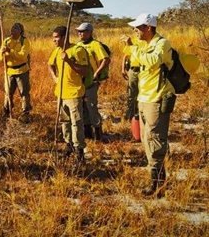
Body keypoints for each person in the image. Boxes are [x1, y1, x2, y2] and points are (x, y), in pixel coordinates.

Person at [121, 13, 175, 198]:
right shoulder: (143, 45)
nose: (135, 30)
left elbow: (151, 60)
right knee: (146, 138)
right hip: (144, 98)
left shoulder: (162, 44)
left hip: (157, 99)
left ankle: (158, 184)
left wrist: (131, 48)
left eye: (138, 27)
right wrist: (131, 49)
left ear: (149, 28)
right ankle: (155, 177)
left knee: (155, 139)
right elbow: (136, 62)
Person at [48, 26, 89, 163]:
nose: (54, 40)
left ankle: (79, 151)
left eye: (57, 37)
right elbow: (50, 64)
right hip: (60, 92)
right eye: (53, 37)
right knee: (64, 122)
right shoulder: (57, 51)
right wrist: (55, 77)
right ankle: (68, 144)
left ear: (65, 37)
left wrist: (69, 61)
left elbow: (84, 71)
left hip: (74, 92)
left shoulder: (77, 50)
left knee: (76, 123)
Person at [75, 22, 110, 141]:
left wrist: (97, 73)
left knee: (91, 106)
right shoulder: (78, 44)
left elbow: (106, 60)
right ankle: (88, 133)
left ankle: (98, 134)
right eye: (79, 31)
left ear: (89, 32)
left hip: (92, 82)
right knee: (83, 106)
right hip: (81, 82)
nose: (80, 33)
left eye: (82, 31)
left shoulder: (95, 44)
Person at [0, 22, 32, 122]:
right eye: (12, 28)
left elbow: (22, 56)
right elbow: (0, 57)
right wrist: (2, 53)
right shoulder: (6, 41)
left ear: (20, 31)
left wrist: (10, 51)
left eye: (15, 28)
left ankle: (25, 113)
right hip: (9, 71)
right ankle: (7, 111)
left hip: (22, 70)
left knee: (24, 92)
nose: (12, 30)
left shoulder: (24, 41)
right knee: (8, 92)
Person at [122, 52, 140, 121]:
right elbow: (126, 55)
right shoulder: (132, 41)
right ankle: (131, 113)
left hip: (145, 71)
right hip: (133, 70)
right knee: (131, 93)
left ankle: (139, 113)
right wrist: (123, 69)